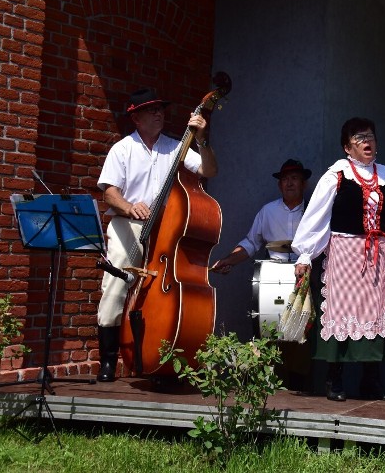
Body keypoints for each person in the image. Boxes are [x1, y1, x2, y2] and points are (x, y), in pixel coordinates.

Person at [96, 88, 218, 382]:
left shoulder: (175, 146)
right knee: (115, 288)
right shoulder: (122, 149)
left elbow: (209, 170)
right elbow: (109, 193)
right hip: (129, 225)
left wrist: (201, 139)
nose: (159, 113)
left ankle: (155, 350)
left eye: (161, 108)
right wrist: (128, 206)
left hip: (163, 230)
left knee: (160, 292)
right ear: (135, 117)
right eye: (152, 110)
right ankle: (108, 361)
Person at [291, 117, 385, 401]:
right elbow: (317, 216)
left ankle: (371, 380)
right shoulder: (336, 175)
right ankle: (334, 379)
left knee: (375, 313)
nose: (367, 142)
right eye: (360, 138)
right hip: (345, 254)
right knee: (342, 311)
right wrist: (306, 254)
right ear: (347, 146)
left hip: (379, 255)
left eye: (370, 136)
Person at [211, 159, 310, 271]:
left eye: (294, 178)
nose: (289, 183)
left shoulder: (313, 212)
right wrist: (229, 260)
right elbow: (251, 243)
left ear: (304, 184)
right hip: (273, 275)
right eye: (285, 179)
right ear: (279, 185)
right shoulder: (268, 211)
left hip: (307, 275)